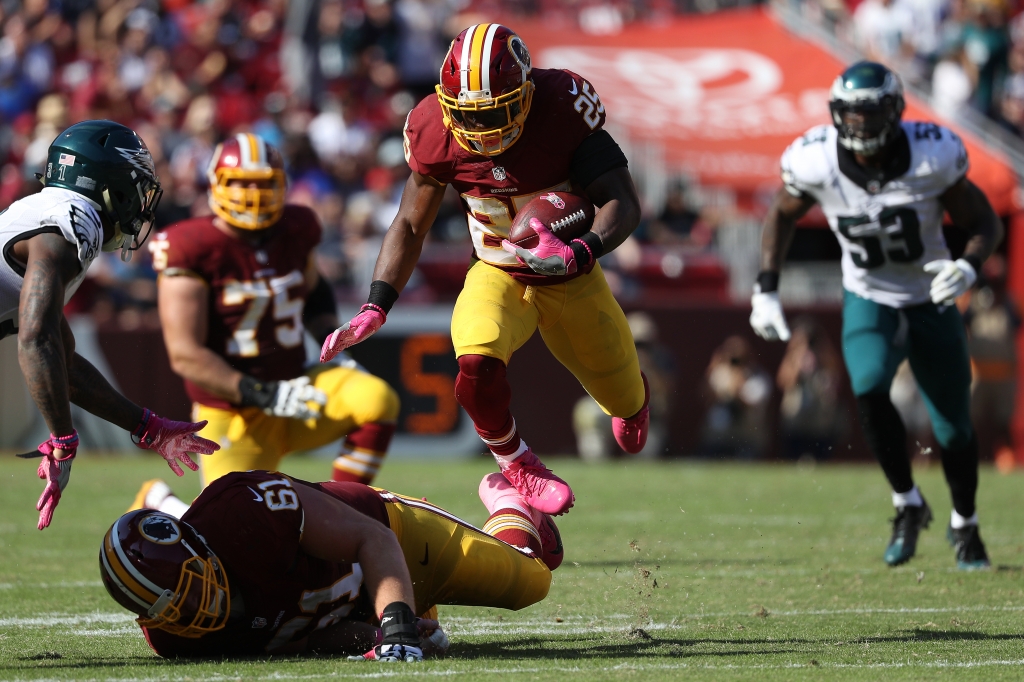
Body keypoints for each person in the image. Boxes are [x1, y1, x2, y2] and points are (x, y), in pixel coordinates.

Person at [319, 24, 649, 516]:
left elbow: (621, 200)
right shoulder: (434, 128)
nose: (484, 127)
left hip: (572, 277)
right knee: (474, 361)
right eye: (471, 115)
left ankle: (631, 402)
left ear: (526, 92)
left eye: (497, 110)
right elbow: (410, 223)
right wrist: (376, 302)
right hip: (499, 271)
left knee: (627, 406)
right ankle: (515, 462)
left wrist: (584, 250)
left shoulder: (561, 105)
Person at [750, 61, 1003, 569]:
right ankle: (907, 502)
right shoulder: (816, 159)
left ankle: (965, 523)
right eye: (850, 114)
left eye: (869, 114)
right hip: (869, 295)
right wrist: (767, 287)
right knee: (867, 386)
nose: (859, 125)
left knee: (953, 425)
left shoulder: (932, 154)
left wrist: (969, 267)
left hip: (931, 293)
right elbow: (781, 212)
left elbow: (984, 223)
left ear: (894, 111)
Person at [132, 133, 400, 518]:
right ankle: (162, 503)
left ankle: (345, 512)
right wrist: (264, 395)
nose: (252, 195)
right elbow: (186, 355)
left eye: (263, 184)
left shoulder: (296, 226)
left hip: (298, 386)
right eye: (241, 183)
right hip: (235, 410)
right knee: (232, 526)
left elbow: (312, 288)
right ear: (217, 185)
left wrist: (332, 340)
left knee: (376, 400)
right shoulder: (191, 245)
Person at [0, 119, 219, 530]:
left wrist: (147, 427)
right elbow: (35, 339)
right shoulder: (67, 227)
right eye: (136, 187)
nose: (140, 202)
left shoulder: (48, 215)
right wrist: (62, 438)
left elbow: (61, 360)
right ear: (108, 184)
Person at [100, 468, 562, 660]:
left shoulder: (242, 512)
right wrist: (380, 636)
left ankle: (507, 500)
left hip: (393, 538)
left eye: (193, 586)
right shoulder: (176, 640)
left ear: (196, 550)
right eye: (177, 608)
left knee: (533, 581)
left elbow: (371, 538)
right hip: (362, 602)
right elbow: (308, 638)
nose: (198, 608)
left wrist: (398, 627)